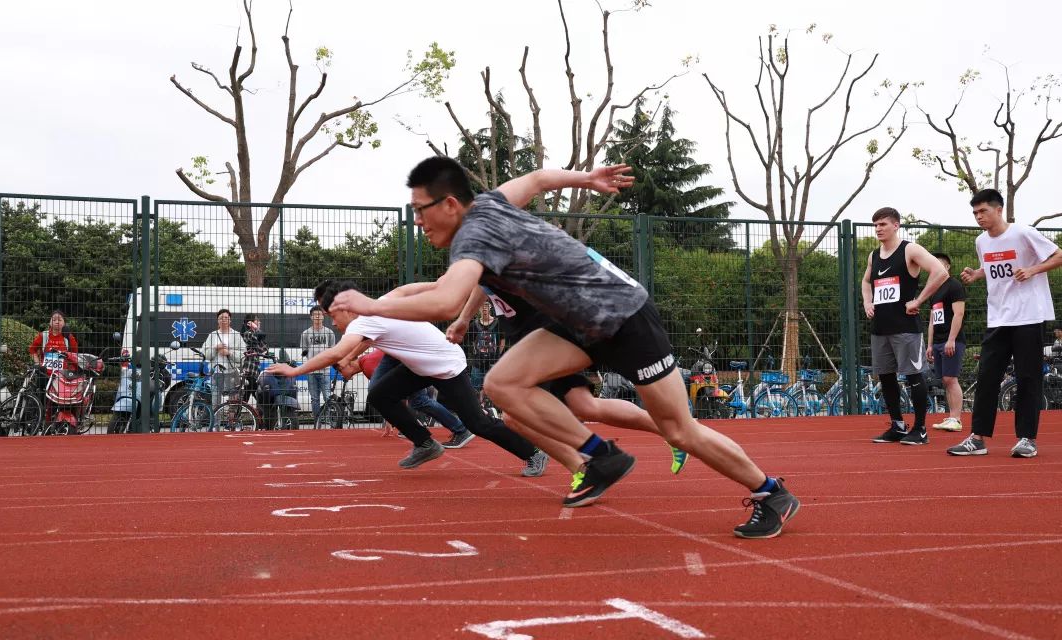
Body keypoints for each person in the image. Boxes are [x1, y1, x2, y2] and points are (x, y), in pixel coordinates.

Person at [328, 157, 795, 539]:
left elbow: (447, 298)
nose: (416, 220)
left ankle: (770, 491)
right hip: (581, 325)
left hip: (625, 318)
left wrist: (373, 307)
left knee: (681, 431)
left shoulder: (476, 235)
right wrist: (586, 178)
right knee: (505, 384)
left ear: (450, 204)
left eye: (420, 209)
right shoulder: (490, 203)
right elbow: (535, 179)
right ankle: (600, 455)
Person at [266, 280, 548, 476]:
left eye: (330, 316)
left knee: (478, 423)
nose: (332, 322)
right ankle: (425, 444)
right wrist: (441, 285)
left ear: (344, 307)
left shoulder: (365, 319)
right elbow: (407, 291)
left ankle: (534, 453)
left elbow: (336, 352)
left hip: (447, 365)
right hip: (419, 366)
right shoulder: (383, 302)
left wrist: (294, 370)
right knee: (380, 395)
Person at [446, 284, 690, 478]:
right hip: (537, 333)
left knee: (513, 413)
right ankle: (672, 433)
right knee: (584, 404)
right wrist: (465, 318)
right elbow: (482, 283)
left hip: (543, 334)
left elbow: (447, 292)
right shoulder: (484, 255)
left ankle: (585, 469)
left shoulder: (490, 244)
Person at [947, 189, 1062, 458]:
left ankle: (1027, 439)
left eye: (983, 211)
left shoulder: (1023, 233)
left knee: (1027, 377)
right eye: (975, 213)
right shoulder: (981, 242)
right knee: (987, 376)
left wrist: (1032, 269)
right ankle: (977, 438)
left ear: (998, 210)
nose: (978, 217)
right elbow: (993, 266)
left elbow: (1058, 255)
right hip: (998, 317)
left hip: (1029, 316)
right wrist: (977, 273)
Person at [861, 207, 948, 445]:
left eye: (883, 224)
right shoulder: (873, 255)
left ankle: (920, 429)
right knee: (886, 377)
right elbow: (866, 280)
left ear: (896, 225)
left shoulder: (910, 249)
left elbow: (940, 272)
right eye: (875, 225)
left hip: (906, 327)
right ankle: (897, 425)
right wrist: (867, 301)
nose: (878, 228)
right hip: (880, 327)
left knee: (913, 376)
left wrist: (919, 300)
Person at [925, 252, 967, 432]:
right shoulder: (933, 290)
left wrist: (951, 339)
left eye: (939, 264)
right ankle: (951, 417)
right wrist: (929, 345)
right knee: (945, 380)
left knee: (951, 378)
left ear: (947, 267)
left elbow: (959, 313)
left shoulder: (954, 286)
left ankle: (956, 418)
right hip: (938, 341)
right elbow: (932, 320)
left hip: (952, 341)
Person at [202, 308, 245, 408]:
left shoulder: (237, 335)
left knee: (233, 402)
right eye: (221, 318)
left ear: (230, 320)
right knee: (215, 402)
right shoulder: (212, 335)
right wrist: (215, 348)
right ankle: (216, 424)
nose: (224, 319)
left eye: (226, 317)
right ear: (218, 320)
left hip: (232, 372)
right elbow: (205, 355)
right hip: (216, 372)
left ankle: (232, 423)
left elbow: (243, 355)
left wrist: (229, 353)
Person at [300, 308, 337, 420]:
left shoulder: (329, 332)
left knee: (327, 397)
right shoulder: (306, 333)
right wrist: (313, 359)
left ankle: (330, 419)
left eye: (319, 314)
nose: (317, 317)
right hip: (311, 370)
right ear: (311, 317)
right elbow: (304, 350)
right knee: (314, 398)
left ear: (323, 316)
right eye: (315, 315)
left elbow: (332, 349)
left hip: (325, 370)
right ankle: (317, 420)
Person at [468, 301, 504, 405]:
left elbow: (502, 340)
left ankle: (489, 407)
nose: (484, 308)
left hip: (493, 360)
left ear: (490, 308)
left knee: (492, 386)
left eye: (486, 306)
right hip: (478, 360)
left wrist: (498, 355)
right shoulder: (474, 324)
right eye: (481, 306)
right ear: (479, 310)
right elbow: (471, 339)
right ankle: (479, 406)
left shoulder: (497, 322)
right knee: (475, 386)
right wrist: (475, 350)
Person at [29, 310, 78, 375]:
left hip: (62, 377)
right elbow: (32, 349)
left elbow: (74, 355)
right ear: (50, 322)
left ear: (64, 323)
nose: (57, 322)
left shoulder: (69, 337)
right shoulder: (43, 335)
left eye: (60, 320)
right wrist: (37, 363)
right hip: (44, 374)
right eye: (54, 320)